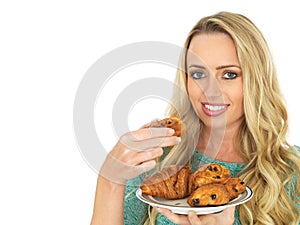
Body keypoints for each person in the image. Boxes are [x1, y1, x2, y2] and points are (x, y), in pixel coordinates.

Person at [90, 11, 300, 225]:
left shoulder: (293, 170)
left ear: (257, 81)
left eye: (229, 74)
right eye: (199, 74)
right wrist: (109, 180)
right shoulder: (157, 159)